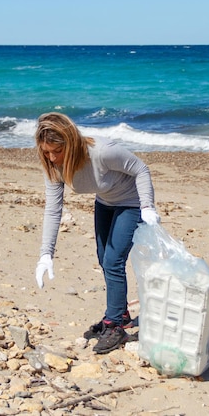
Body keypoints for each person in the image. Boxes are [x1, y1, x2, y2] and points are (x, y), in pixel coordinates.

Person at [34, 112, 160, 354]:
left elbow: (141, 170)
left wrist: (147, 206)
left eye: (56, 151)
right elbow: (53, 209)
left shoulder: (103, 152)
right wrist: (45, 254)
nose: (51, 158)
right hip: (105, 202)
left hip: (132, 203)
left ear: (70, 144)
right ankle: (120, 313)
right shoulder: (52, 165)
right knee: (104, 258)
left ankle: (114, 326)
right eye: (46, 152)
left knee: (113, 261)